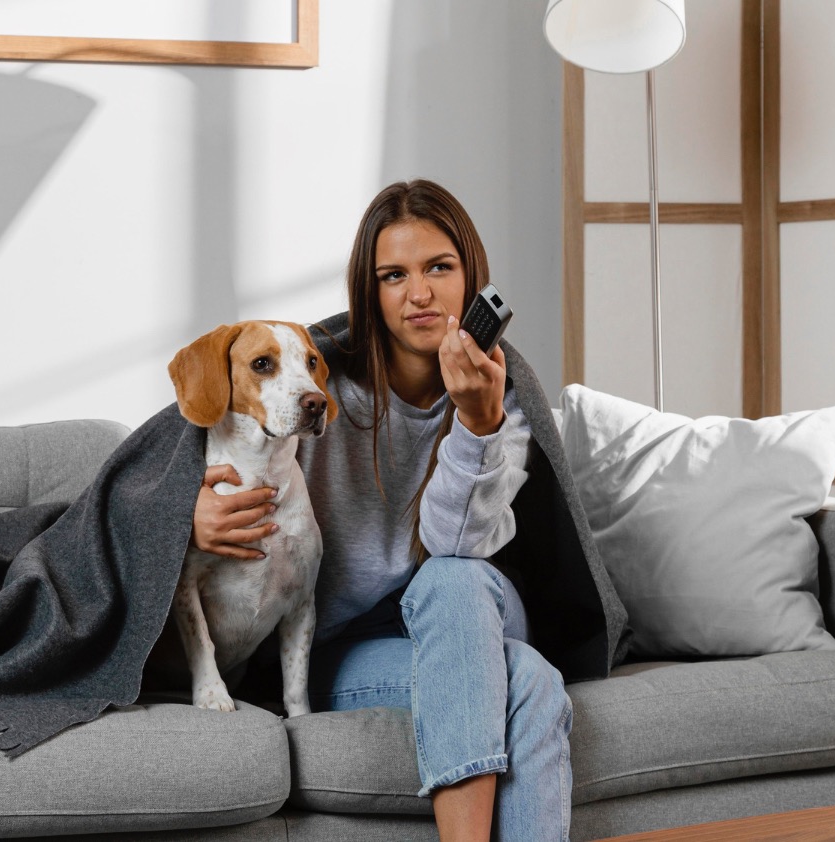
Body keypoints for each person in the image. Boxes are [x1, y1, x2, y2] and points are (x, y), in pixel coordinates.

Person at [191, 179, 579, 841]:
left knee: (450, 578)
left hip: (476, 606)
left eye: (439, 268)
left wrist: (477, 422)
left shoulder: (504, 395)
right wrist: (188, 510)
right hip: (351, 642)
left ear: (471, 276)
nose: (418, 293)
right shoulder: (314, 381)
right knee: (531, 682)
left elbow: (458, 544)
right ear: (369, 293)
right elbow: (191, 427)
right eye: (393, 276)